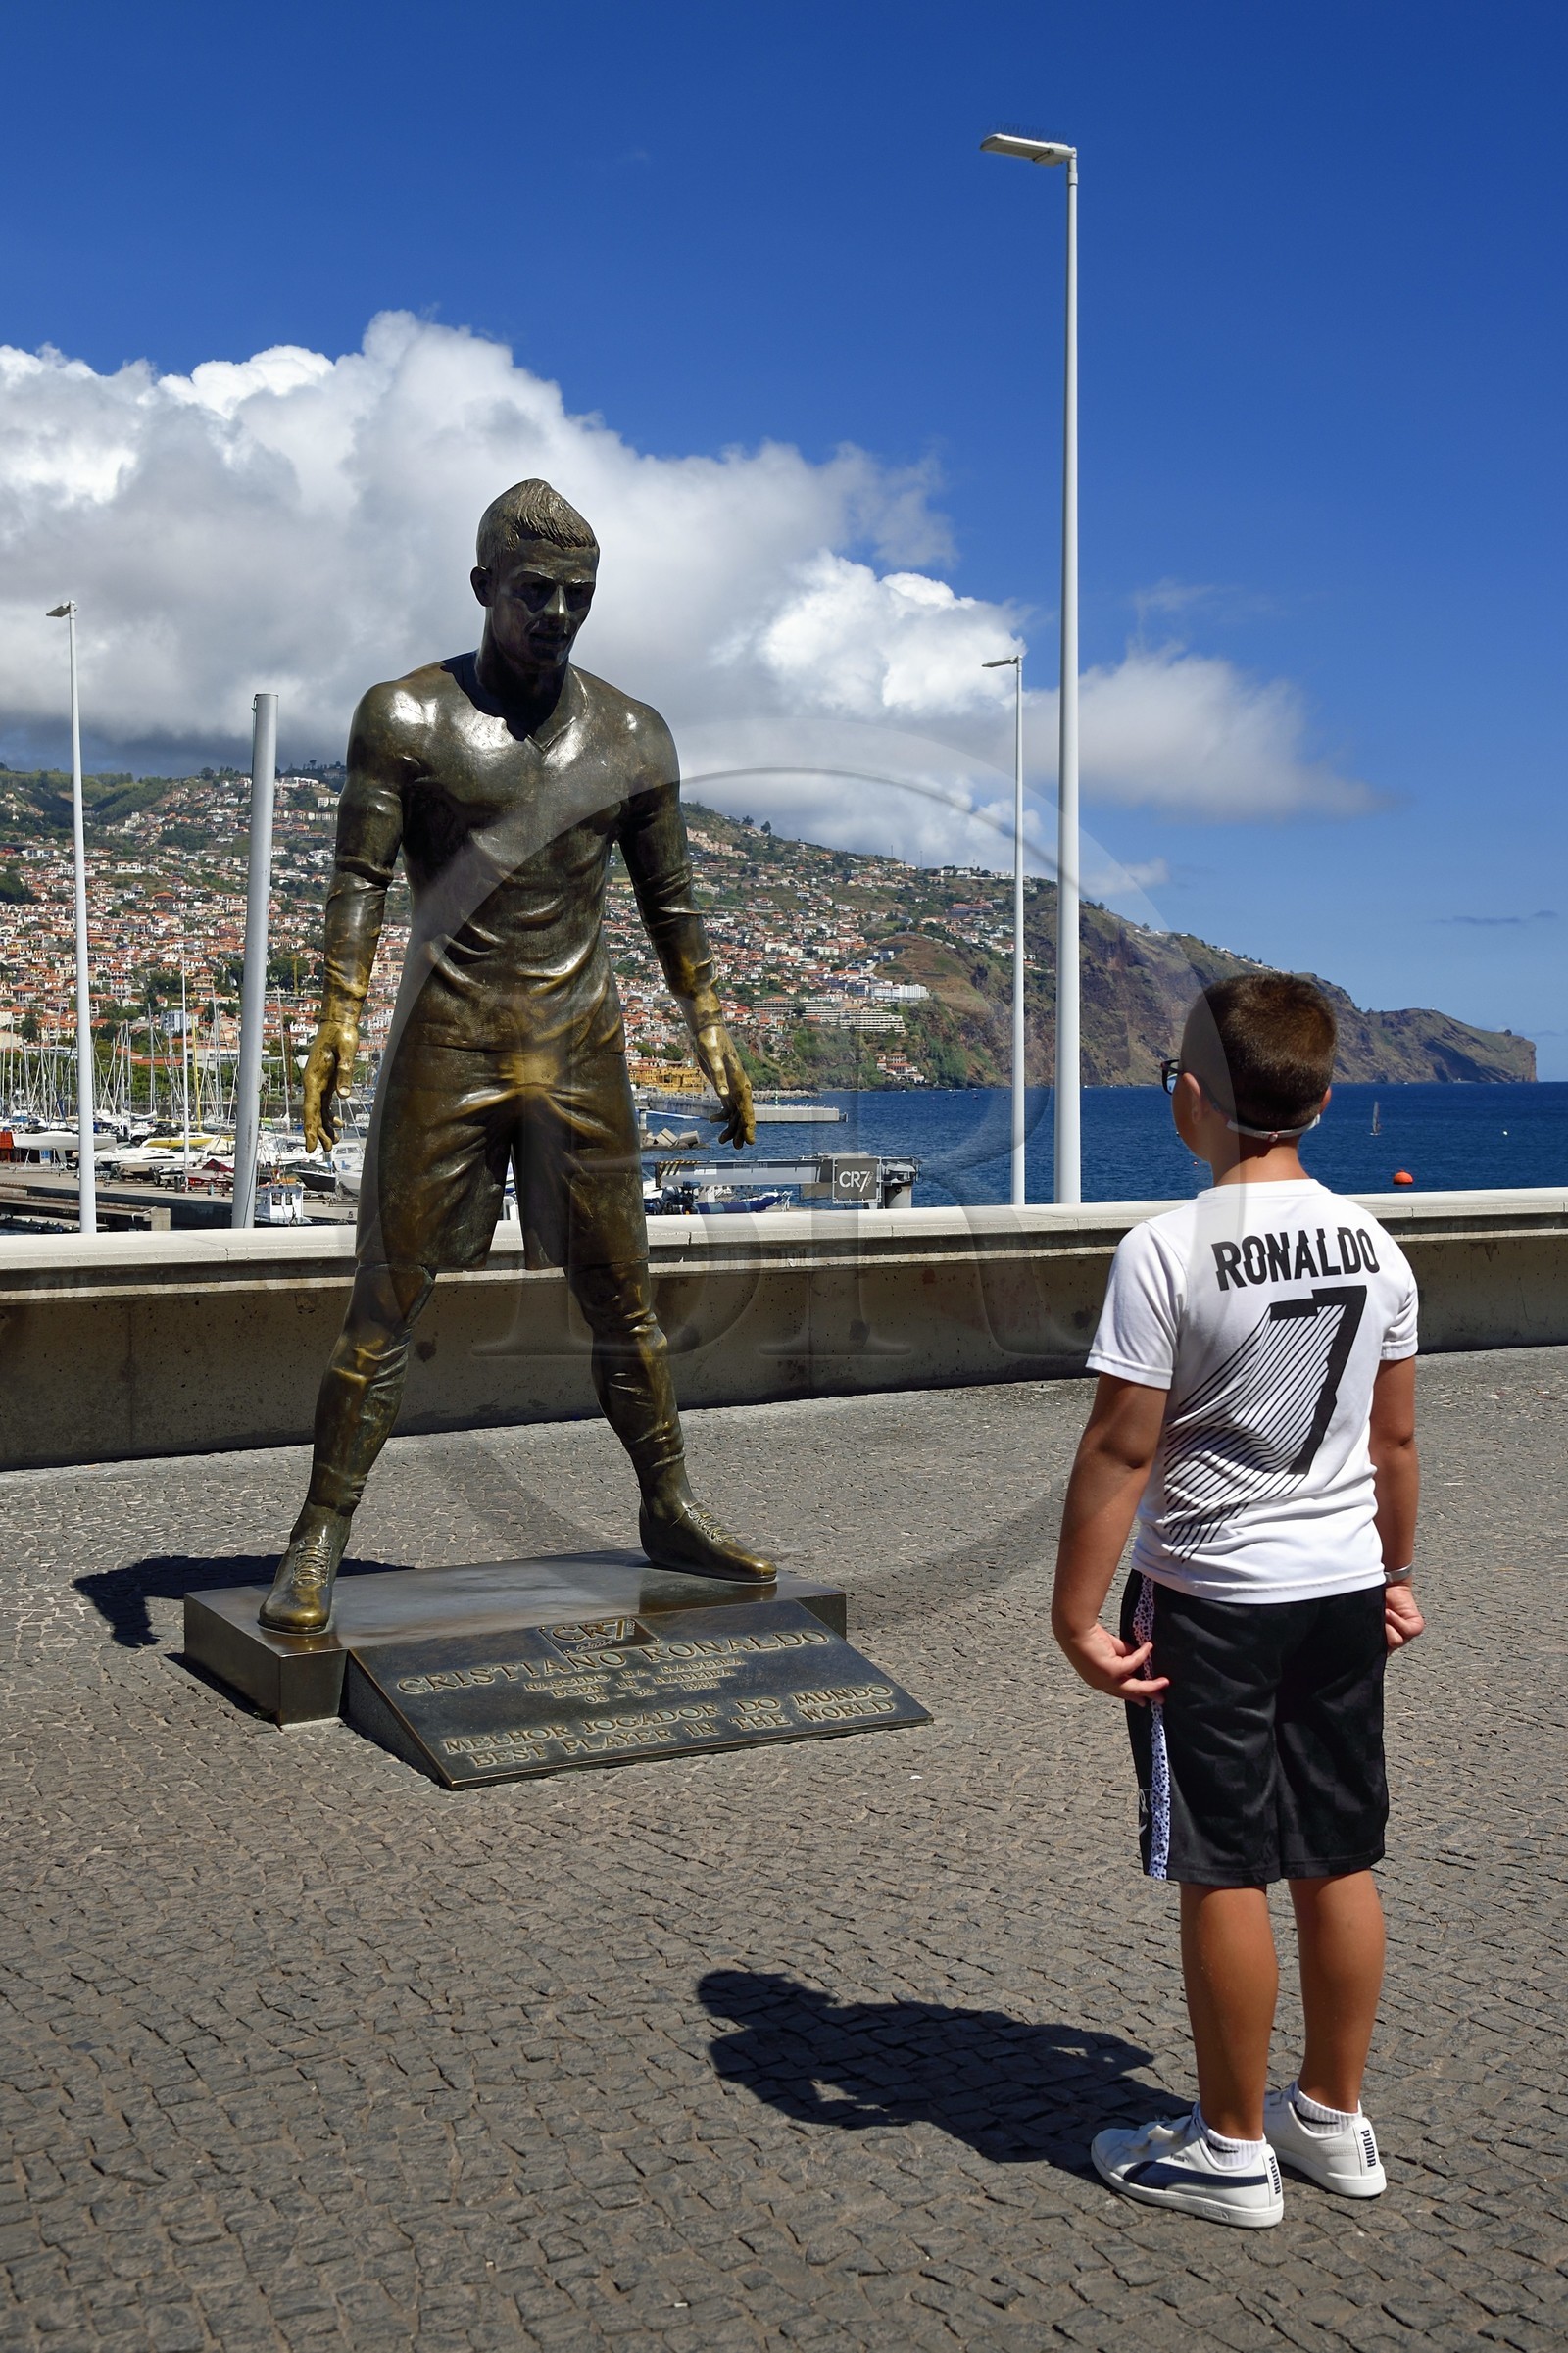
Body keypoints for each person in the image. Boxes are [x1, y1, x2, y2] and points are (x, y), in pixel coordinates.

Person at [260, 477, 774, 1634]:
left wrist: (711, 1022)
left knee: (624, 1302)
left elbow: (671, 901)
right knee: (386, 1303)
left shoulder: (635, 734)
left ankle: (669, 1502)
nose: (556, 612)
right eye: (534, 590)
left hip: (578, 1041)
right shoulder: (405, 718)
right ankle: (320, 1531)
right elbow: (356, 880)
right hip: (447, 1035)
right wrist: (339, 1012)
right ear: (484, 584)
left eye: (578, 596)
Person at [1051, 973, 1424, 2228]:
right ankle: (1333, 2118)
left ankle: (1225, 2148)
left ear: (1191, 1098)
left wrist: (1076, 1614)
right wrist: (1395, 1575)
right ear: (1319, 1098)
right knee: (1336, 1853)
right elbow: (1394, 1446)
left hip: (1207, 1594)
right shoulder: (1378, 1246)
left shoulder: (1165, 1250)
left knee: (1221, 1863)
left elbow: (1117, 1449)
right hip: (1339, 1587)